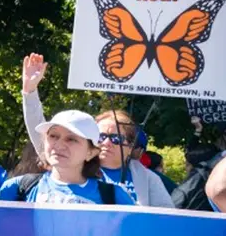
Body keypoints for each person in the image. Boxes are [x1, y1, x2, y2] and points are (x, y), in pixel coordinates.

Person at [21, 53, 174, 207]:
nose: (106, 143)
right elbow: (40, 131)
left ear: (130, 146)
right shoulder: (69, 163)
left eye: (116, 139)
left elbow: (166, 219)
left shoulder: (148, 179)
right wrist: (30, 92)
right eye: (101, 137)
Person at [0, 111, 135, 205]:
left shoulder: (114, 196)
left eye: (71, 139)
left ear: (91, 152)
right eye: (53, 136)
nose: (59, 145)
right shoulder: (17, 188)